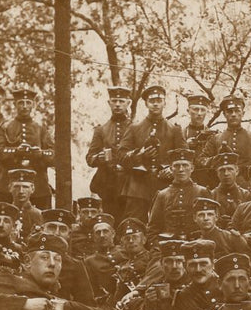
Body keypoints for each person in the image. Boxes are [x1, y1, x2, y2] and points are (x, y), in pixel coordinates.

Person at [117, 84, 185, 222]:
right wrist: (140, 155)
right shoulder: (134, 128)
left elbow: (185, 156)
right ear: (146, 103)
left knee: (167, 224)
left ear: (164, 103)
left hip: (166, 185)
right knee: (135, 224)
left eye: (159, 101)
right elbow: (121, 156)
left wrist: (173, 169)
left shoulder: (174, 129)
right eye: (152, 101)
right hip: (137, 187)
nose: (155, 104)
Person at [85, 85, 132, 216]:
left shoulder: (135, 128)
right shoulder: (101, 130)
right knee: (109, 218)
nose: (117, 104)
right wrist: (98, 158)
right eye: (114, 101)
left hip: (129, 184)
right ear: (109, 103)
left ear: (128, 103)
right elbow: (89, 158)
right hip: (107, 185)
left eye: (121, 101)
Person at [171, 239, 225, 310]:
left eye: (203, 264)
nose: (198, 270)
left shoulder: (227, 287)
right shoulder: (184, 296)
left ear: (213, 264)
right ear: (185, 267)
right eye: (192, 265)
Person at [147, 148, 204, 236]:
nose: (181, 169)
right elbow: (153, 228)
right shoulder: (162, 195)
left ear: (192, 168)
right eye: (177, 166)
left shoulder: (202, 192)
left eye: (185, 165)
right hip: (169, 243)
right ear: (171, 169)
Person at [203, 95, 251, 177]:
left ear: (243, 113)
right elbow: (202, 159)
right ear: (224, 114)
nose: (233, 114)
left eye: (237, 111)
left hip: (246, 181)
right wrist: (216, 159)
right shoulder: (215, 138)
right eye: (229, 111)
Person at [191, 196, 251, 263]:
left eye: (210, 214)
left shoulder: (230, 238)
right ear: (194, 218)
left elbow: (249, 260)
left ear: (216, 217)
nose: (206, 218)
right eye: (201, 215)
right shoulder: (193, 241)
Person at [209, 152, 249, 225]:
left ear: (237, 171)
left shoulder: (246, 195)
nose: (226, 174)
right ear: (217, 173)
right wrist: (217, 221)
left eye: (230, 169)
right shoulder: (211, 196)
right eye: (222, 170)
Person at [7, 168, 44, 239]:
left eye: (25, 187)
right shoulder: (6, 214)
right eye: (17, 187)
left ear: (32, 189)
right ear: (10, 188)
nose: (21, 191)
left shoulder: (39, 215)